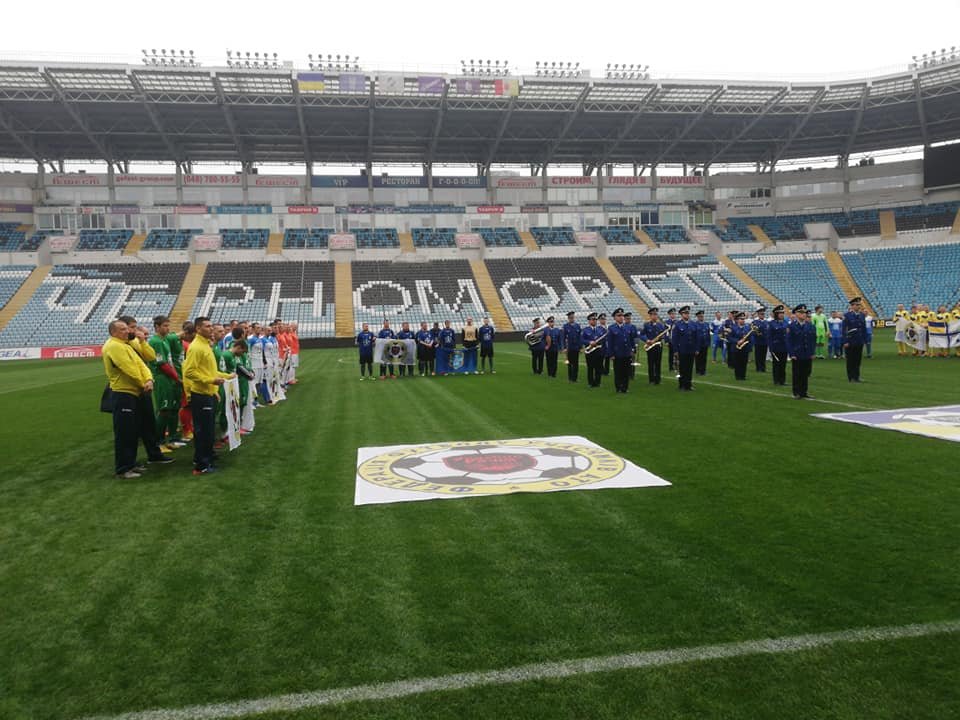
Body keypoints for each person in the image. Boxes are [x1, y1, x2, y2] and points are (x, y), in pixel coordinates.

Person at [102, 319, 174, 479]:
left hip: (136, 391)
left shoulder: (126, 344)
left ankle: (132, 463)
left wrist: (149, 379)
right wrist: (144, 382)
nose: (128, 331)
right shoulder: (114, 346)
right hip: (123, 392)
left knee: (136, 428)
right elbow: (128, 367)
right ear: (113, 332)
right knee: (125, 432)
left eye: (128, 328)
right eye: (123, 329)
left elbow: (142, 363)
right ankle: (123, 468)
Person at [183, 316, 235, 475]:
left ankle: (206, 458)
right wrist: (211, 381)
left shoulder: (206, 345)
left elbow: (210, 371)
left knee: (208, 430)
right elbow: (189, 372)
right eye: (207, 326)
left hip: (208, 393)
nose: (210, 328)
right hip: (201, 395)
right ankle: (201, 465)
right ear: (198, 329)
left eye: (211, 326)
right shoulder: (196, 347)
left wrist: (226, 376)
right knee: (203, 431)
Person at [148, 315, 185, 451]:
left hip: (170, 378)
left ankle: (173, 438)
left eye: (168, 325)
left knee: (173, 408)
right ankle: (159, 442)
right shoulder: (156, 341)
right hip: (162, 379)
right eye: (165, 326)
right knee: (164, 410)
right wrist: (177, 378)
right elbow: (162, 364)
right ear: (157, 327)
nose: (168, 328)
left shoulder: (165, 340)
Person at [786, 304, 816, 399]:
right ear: (796, 314)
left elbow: (812, 340)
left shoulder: (810, 326)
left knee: (805, 373)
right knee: (797, 373)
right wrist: (792, 353)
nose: (804, 314)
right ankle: (796, 392)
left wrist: (812, 352)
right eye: (801, 312)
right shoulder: (791, 326)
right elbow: (789, 341)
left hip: (807, 353)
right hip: (797, 353)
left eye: (805, 313)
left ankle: (804, 391)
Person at [606, 308, 637, 394]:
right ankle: (618, 387)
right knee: (618, 372)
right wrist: (611, 354)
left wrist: (633, 349)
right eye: (619, 315)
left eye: (622, 315)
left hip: (627, 353)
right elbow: (610, 342)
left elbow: (631, 340)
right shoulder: (612, 328)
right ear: (614, 317)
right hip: (617, 354)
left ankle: (625, 388)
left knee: (626, 372)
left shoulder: (628, 327)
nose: (621, 317)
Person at [672, 306, 697, 391]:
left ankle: (688, 385)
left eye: (688, 313)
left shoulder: (693, 324)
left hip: (691, 350)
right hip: (682, 350)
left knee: (690, 368)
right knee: (682, 368)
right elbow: (674, 339)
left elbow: (696, 337)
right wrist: (675, 350)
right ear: (681, 314)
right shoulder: (678, 325)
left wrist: (696, 349)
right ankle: (682, 385)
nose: (687, 315)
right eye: (685, 313)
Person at [842, 297, 867, 382]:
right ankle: (851, 377)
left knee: (857, 360)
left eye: (859, 305)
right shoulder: (847, 316)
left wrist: (864, 340)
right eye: (856, 305)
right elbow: (844, 330)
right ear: (852, 306)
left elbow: (863, 329)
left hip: (859, 340)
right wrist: (845, 341)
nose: (858, 306)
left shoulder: (862, 315)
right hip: (850, 341)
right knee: (850, 360)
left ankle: (857, 376)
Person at [640, 307, 666, 385]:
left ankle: (658, 379)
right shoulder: (646, 325)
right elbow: (641, 335)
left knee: (658, 363)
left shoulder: (660, 325)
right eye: (653, 315)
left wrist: (662, 337)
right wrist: (647, 340)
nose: (655, 316)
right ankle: (651, 380)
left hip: (658, 346)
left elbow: (663, 335)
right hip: (650, 346)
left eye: (656, 314)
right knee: (651, 363)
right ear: (650, 316)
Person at [766, 305, 789, 386]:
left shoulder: (786, 323)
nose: (782, 315)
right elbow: (769, 337)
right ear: (776, 314)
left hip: (784, 347)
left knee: (783, 364)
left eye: (782, 313)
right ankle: (776, 380)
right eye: (780, 313)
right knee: (776, 364)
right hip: (776, 347)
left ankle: (782, 380)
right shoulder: (771, 323)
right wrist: (771, 348)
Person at [581, 312, 605, 388]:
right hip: (590, 351)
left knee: (598, 367)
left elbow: (604, 339)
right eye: (593, 319)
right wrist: (589, 342)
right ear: (589, 321)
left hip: (599, 350)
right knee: (590, 367)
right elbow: (581, 340)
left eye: (595, 319)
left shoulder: (600, 329)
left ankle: (598, 382)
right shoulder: (585, 330)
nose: (594, 321)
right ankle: (591, 383)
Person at [728, 312, 753, 381]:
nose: (743, 320)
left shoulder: (747, 328)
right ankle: (738, 376)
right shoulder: (733, 328)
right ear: (737, 320)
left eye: (743, 319)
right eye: (741, 319)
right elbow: (730, 338)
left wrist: (749, 346)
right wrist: (737, 341)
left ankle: (743, 376)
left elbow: (750, 338)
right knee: (737, 362)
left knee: (744, 362)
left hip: (745, 347)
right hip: (736, 348)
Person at [561, 310, 581, 382]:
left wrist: (580, 347)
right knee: (569, 363)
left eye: (572, 317)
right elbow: (563, 338)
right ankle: (570, 378)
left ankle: (575, 378)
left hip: (576, 347)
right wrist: (564, 348)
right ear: (568, 318)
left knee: (576, 363)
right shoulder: (565, 326)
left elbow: (579, 337)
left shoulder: (577, 326)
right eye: (570, 317)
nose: (571, 319)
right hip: (569, 347)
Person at [752, 307, 769, 372]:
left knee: (763, 355)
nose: (762, 315)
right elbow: (753, 331)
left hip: (765, 341)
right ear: (758, 315)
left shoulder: (766, 322)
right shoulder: (755, 322)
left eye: (763, 314)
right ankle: (758, 368)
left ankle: (763, 368)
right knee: (758, 355)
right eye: (761, 314)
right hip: (758, 341)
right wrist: (757, 334)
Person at [694, 309, 710, 376]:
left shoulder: (706, 324)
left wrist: (708, 342)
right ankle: (698, 370)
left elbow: (708, 334)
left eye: (702, 316)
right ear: (697, 317)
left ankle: (703, 371)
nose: (701, 317)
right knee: (698, 358)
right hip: (698, 344)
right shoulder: (695, 324)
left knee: (704, 358)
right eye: (700, 316)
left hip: (705, 343)